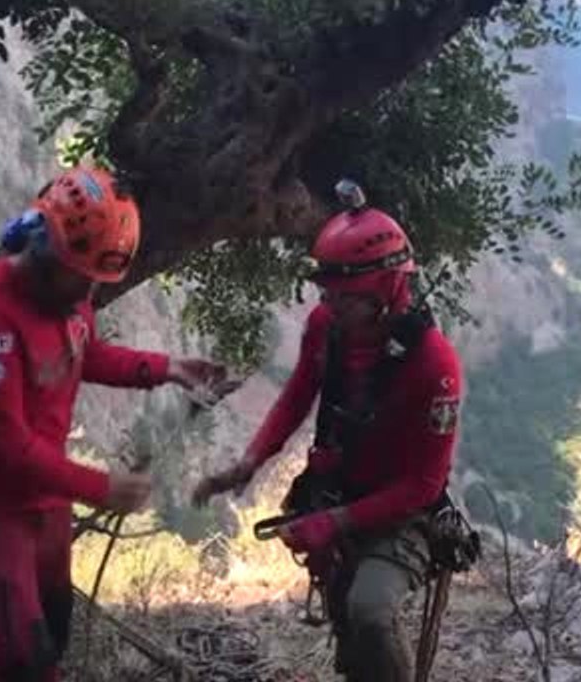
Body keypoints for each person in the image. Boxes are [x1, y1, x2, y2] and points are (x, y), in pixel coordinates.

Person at [0, 165, 230, 682]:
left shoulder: (66, 299)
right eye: (80, 275)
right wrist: (100, 487)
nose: (87, 290)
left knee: (50, 636)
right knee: (25, 659)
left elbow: (88, 353)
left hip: (43, 500)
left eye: (95, 280)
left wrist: (169, 368)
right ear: (44, 249)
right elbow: (4, 445)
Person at [192, 181, 465, 682]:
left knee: (370, 611)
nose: (330, 304)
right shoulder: (327, 326)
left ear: (386, 290)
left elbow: (423, 485)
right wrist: (251, 461)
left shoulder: (434, 365)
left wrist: (337, 522)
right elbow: (299, 394)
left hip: (404, 511)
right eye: (328, 292)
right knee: (347, 622)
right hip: (337, 489)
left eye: (346, 296)